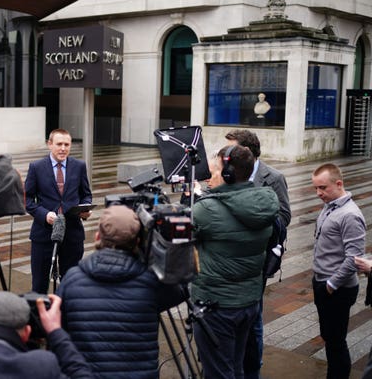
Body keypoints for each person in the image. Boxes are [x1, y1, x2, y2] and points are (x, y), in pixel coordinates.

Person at [56, 205, 185, 378]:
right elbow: (184, 286)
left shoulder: (71, 280)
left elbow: (58, 330)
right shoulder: (152, 282)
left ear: (97, 236)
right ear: (138, 241)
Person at [191, 145, 279, 379]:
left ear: (228, 175)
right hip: (248, 302)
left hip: (217, 305)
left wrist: (196, 197)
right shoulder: (264, 202)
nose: (209, 177)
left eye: (214, 171)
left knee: (218, 372)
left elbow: (180, 235)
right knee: (236, 368)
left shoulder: (206, 209)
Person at [225, 129, 291, 378]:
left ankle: (253, 367)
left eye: (231, 150)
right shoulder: (227, 174)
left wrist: (252, 217)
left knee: (253, 317)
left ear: (246, 152)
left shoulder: (273, 177)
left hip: (257, 257)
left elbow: (284, 217)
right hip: (232, 255)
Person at [311, 163, 366, 379]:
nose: (318, 193)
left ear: (339, 184)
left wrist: (332, 284)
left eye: (323, 188)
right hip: (323, 282)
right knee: (330, 337)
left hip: (337, 288)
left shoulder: (350, 215)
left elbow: (354, 258)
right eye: (316, 188)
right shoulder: (331, 205)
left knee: (336, 341)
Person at [25, 128, 92, 293]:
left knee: (70, 285)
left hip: (72, 234)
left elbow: (86, 195)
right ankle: (39, 317)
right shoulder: (36, 167)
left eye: (66, 144)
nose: (63, 148)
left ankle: (65, 317)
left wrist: (85, 209)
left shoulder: (79, 166)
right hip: (43, 234)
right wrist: (44, 214)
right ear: (50, 144)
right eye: (59, 144)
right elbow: (26, 200)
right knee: (39, 285)